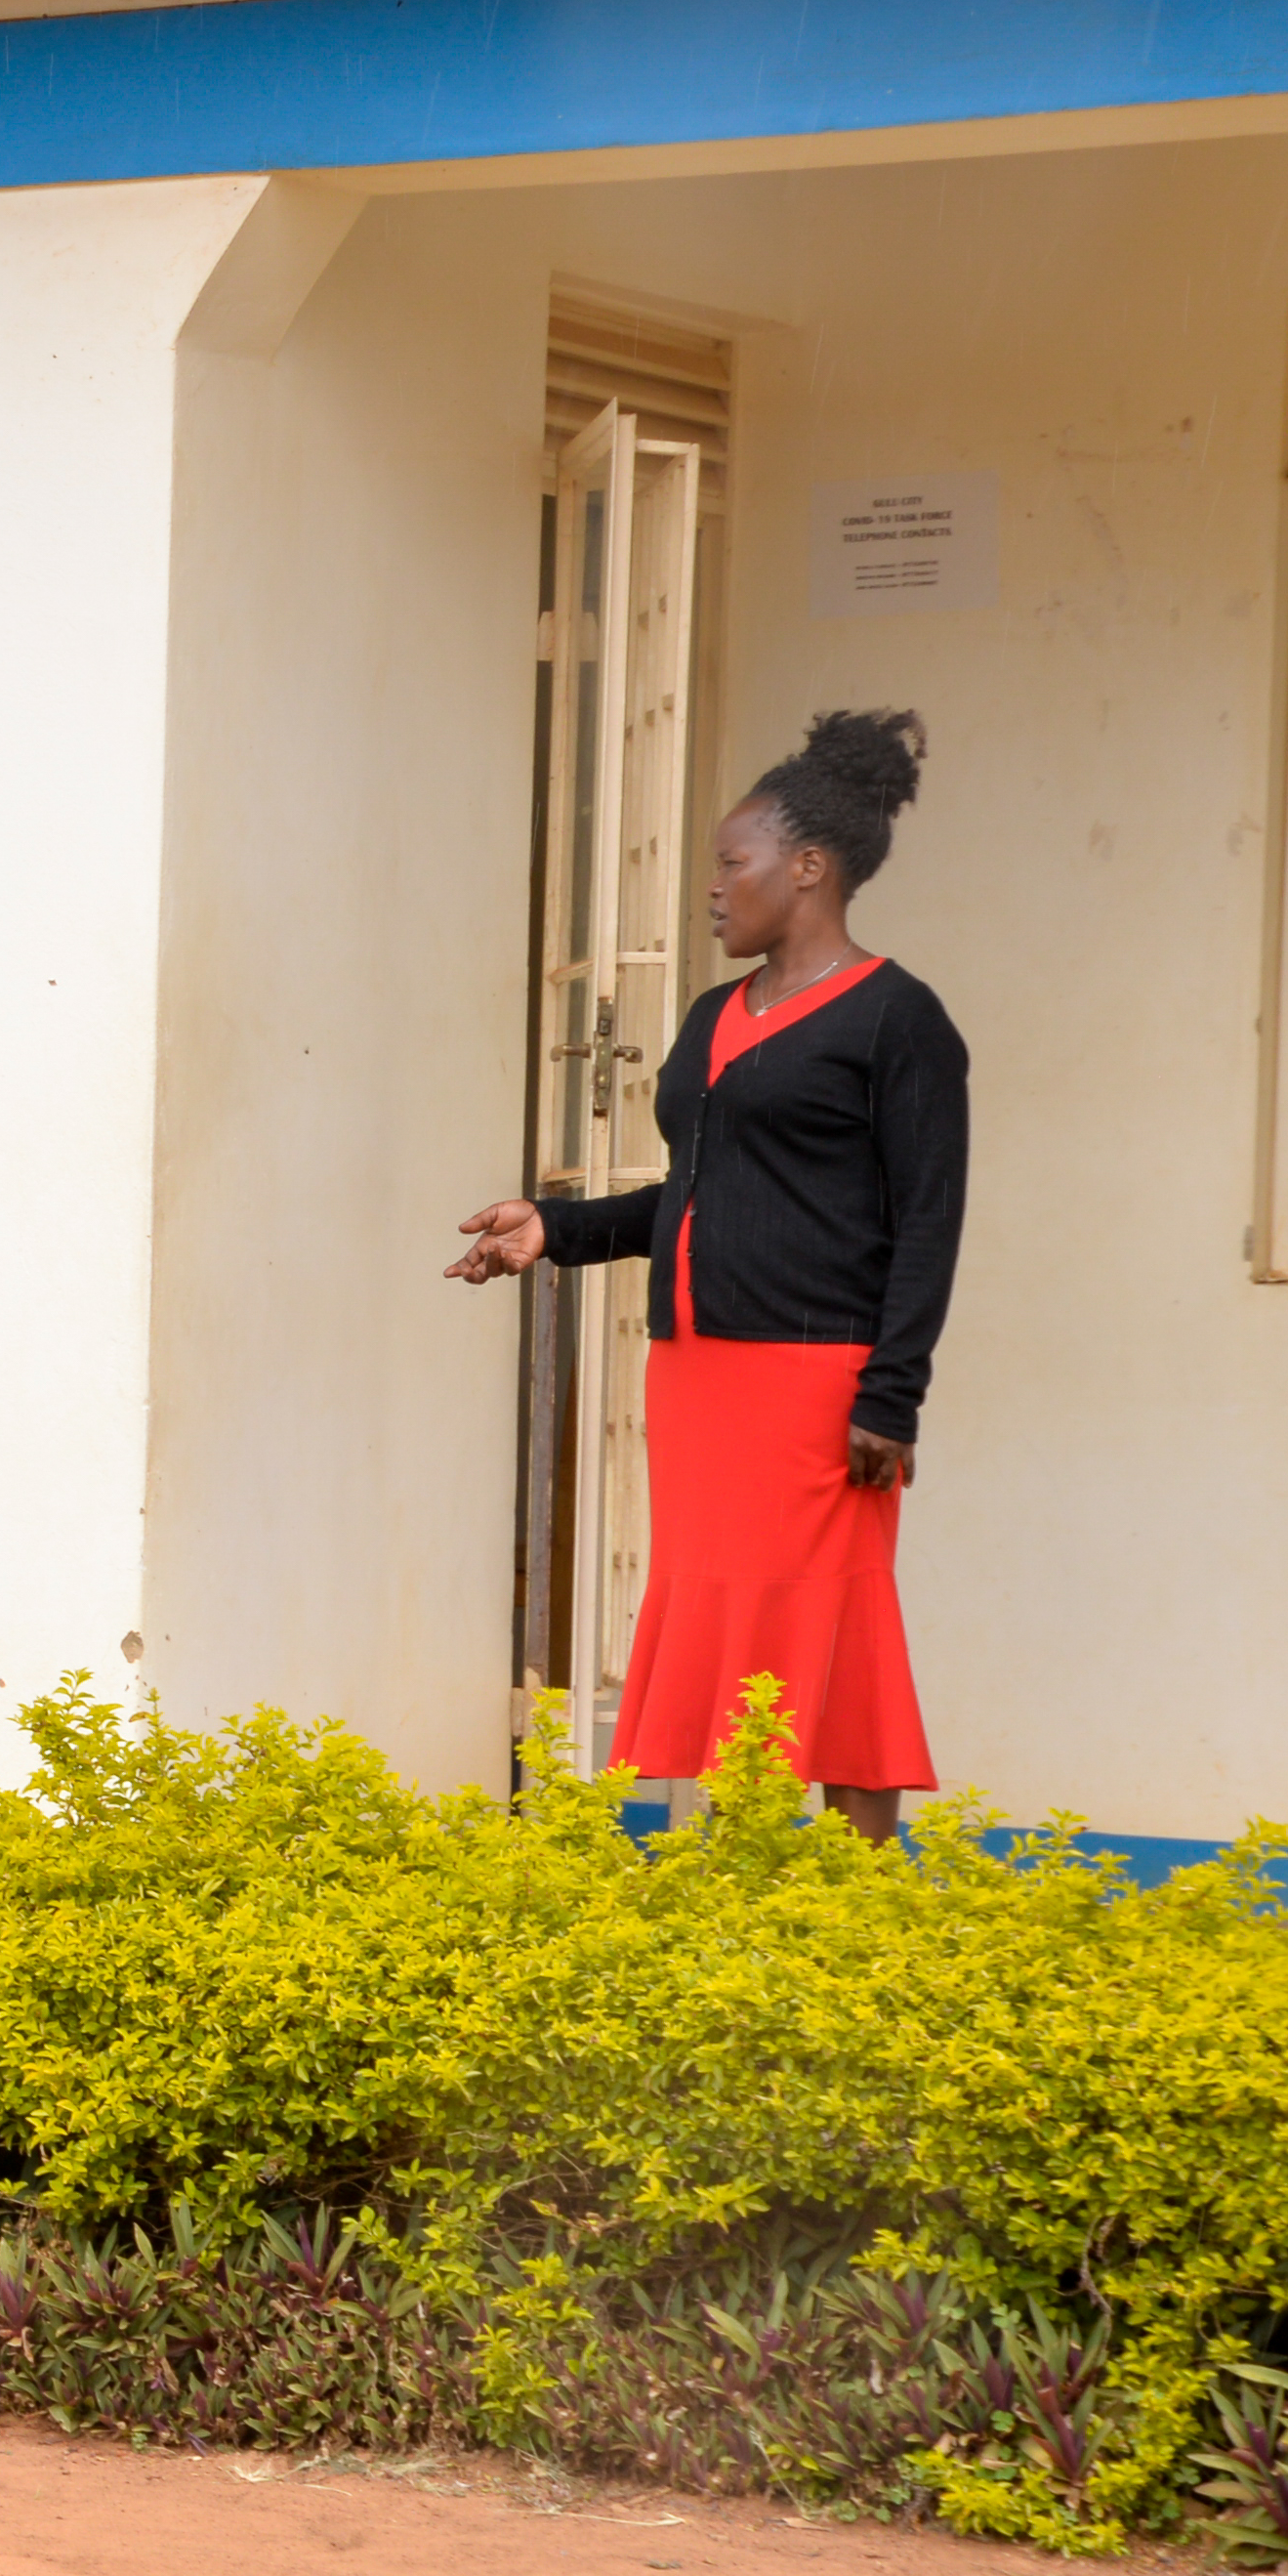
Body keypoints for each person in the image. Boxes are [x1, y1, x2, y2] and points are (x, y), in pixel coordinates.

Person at [449, 708, 967, 1843]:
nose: (714, 889)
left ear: (811, 866)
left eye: (734, 864)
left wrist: (892, 1393)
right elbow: (697, 1195)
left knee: (827, 1629)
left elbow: (928, 1220)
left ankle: (851, 1894)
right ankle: (744, 1873)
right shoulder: (711, 1015)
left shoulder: (897, 1019)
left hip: (817, 1382)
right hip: (699, 1377)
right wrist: (556, 1226)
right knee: (736, 1634)